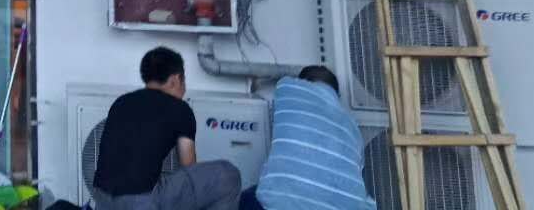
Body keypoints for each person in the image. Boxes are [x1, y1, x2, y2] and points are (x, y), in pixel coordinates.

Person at [94, 47, 241, 210]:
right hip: (141, 203)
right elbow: (189, 168)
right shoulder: (180, 109)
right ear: (176, 79)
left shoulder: (121, 102)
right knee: (228, 174)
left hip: (102, 200)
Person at [240, 66, 375, 210]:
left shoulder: (287, 91)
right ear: (337, 95)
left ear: (303, 84)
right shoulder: (353, 127)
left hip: (280, 204)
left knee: (246, 196)